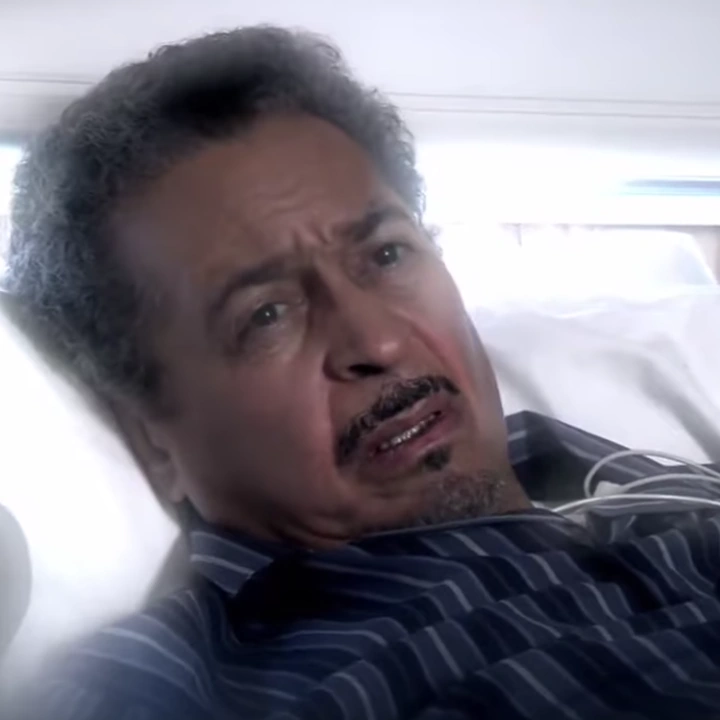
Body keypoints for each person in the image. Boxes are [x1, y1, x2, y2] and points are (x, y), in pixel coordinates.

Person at [4, 25, 720, 720]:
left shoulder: (638, 480)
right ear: (155, 443)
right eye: (266, 314)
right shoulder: (173, 691)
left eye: (386, 255)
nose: (377, 341)